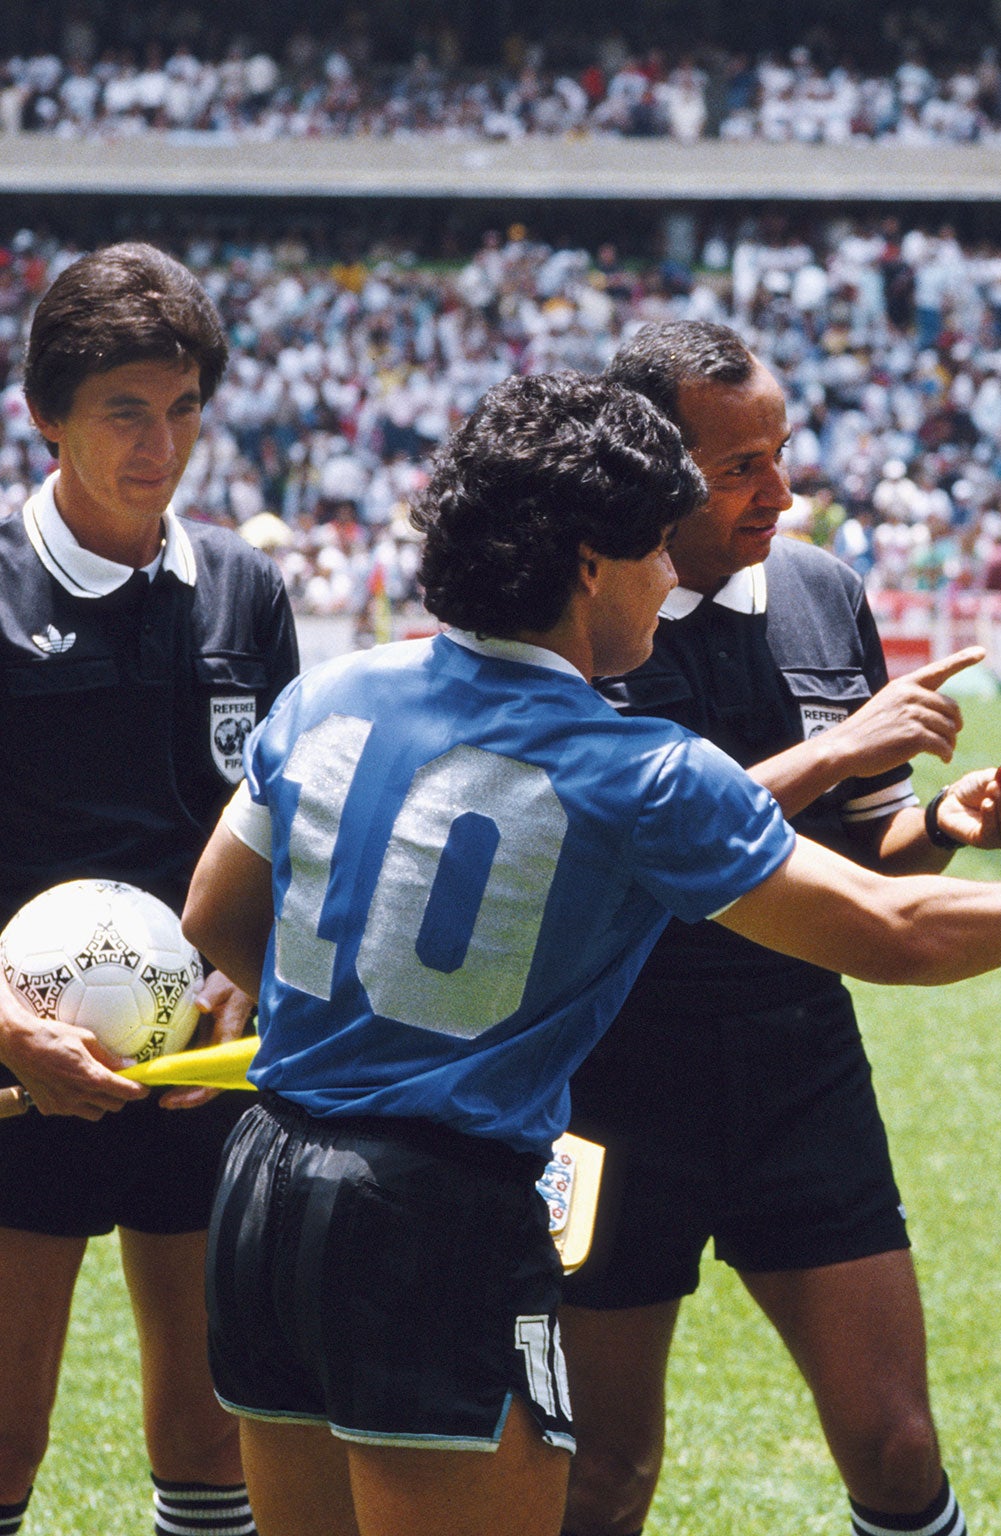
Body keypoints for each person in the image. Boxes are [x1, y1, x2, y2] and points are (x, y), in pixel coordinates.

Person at [179, 371, 1001, 1536]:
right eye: (656, 546)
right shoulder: (633, 767)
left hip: (265, 1184)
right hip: (439, 1214)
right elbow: (887, 932)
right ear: (591, 564)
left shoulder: (334, 692)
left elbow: (216, 918)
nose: (672, 574)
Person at [560, 321, 1001, 1536]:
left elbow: (862, 847)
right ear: (648, 471)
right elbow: (632, 850)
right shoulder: (580, 615)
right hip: (603, 1081)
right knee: (603, 1468)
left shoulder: (823, 589)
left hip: (796, 1058)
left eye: (781, 456)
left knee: (896, 1444)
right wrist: (837, 745)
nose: (780, 490)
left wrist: (946, 820)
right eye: (740, 469)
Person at [0, 243, 296, 1536]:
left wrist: (254, 974)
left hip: (204, 1075)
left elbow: (290, 830)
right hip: (19, 1072)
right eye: (126, 409)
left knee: (211, 1415)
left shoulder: (245, 588)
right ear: (46, 414)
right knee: (5, 1428)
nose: (161, 444)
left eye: (183, 410)